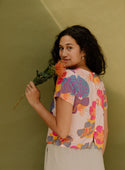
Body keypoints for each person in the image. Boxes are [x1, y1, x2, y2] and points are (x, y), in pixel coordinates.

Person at [25, 25, 108, 170]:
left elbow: (62, 131)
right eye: (61, 48)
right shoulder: (98, 82)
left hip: (64, 156)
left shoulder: (67, 78)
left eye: (69, 47)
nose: (63, 53)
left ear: (84, 50)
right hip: (93, 157)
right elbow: (104, 131)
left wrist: (36, 103)